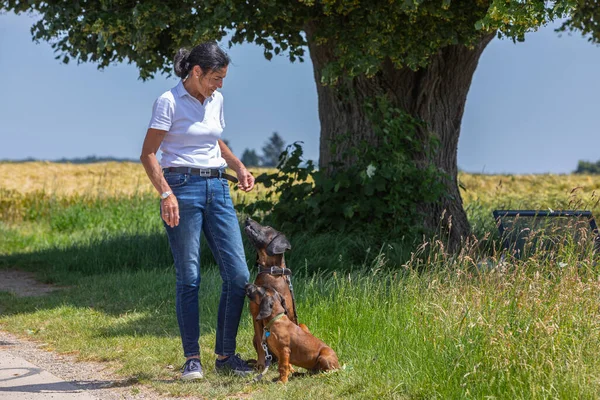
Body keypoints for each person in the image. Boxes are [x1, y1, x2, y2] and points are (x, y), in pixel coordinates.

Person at [140, 42, 255, 380]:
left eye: (223, 79)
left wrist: (238, 165)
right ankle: (192, 358)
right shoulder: (169, 102)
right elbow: (148, 153)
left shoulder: (216, 100)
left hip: (218, 187)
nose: (220, 85)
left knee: (238, 276)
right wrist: (166, 193)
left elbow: (213, 140)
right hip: (182, 188)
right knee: (189, 276)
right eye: (215, 78)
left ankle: (225, 356)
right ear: (196, 72)